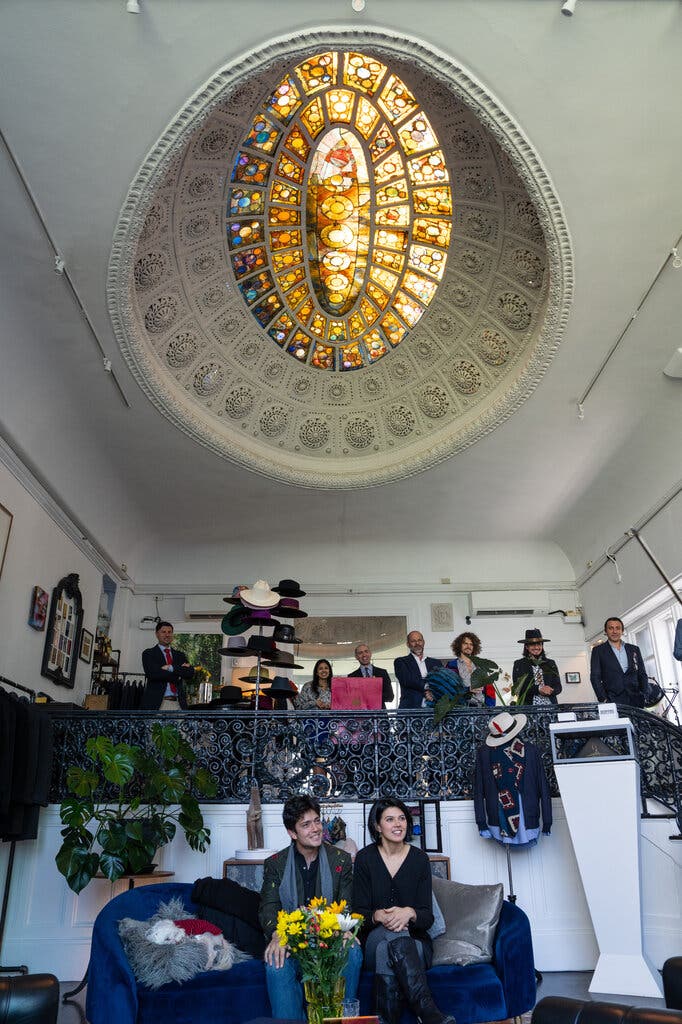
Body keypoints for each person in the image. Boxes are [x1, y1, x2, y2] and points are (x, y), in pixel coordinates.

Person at [352, 797, 456, 1024]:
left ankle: (385, 1020)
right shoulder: (365, 859)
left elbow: (427, 918)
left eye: (402, 818)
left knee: (387, 949)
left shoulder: (419, 859)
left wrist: (410, 912)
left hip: (416, 943)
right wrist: (377, 915)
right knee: (389, 937)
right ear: (377, 826)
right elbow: (357, 915)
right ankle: (428, 1013)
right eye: (390, 819)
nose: (398, 824)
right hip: (373, 940)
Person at [259, 795, 362, 1021]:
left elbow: (345, 906)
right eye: (306, 824)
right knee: (276, 961)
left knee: (352, 950)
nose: (316, 829)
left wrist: (344, 929)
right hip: (293, 939)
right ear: (292, 833)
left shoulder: (340, 859)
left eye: (317, 821)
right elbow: (269, 907)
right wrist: (277, 935)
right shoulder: (276, 863)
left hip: (329, 938)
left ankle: (340, 1020)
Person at [590, 616, 648, 707]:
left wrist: (644, 694)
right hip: (612, 700)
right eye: (611, 628)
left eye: (618, 628)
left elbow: (642, 674)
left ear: (622, 631)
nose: (614, 631)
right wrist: (603, 699)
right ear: (606, 631)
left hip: (636, 699)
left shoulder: (634, 649)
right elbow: (595, 677)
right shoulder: (598, 651)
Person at [141, 621, 193, 710]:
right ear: (157, 634)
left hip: (178, 704)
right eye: (163, 632)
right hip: (157, 704)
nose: (167, 635)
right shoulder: (149, 653)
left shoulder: (180, 655)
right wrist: (178, 674)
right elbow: (152, 674)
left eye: (169, 632)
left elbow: (190, 673)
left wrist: (171, 668)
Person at [512, 628, 562, 706]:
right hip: (529, 707)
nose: (536, 647)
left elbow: (558, 686)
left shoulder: (550, 663)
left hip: (551, 706)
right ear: (526, 647)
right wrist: (539, 689)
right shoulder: (519, 664)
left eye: (539, 644)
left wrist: (551, 690)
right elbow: (518, 688)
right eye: (532, 644)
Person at [394, 632, 442, 709]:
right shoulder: (401, 662)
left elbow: (441, 682)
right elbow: (407, 680)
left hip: (434, 709)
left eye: (419, 640)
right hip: (410, 709)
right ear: (408, 644)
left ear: (423, 642)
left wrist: (433, 691)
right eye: (413, 641)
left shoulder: (436, 663)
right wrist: (428, 687)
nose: (417, 643)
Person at [349, 643, 394, 707]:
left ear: (370, 654)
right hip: (361, 712)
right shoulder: (351, 677)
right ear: (356, 657)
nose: (364, 655)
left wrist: (371, 695)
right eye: (360, 653)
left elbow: (390, 697)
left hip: (379, 712)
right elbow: (353, 701)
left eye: (366, 651)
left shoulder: (382, 673)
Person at [447, 632, 484, 706]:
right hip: (461, 708)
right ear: (459, 645)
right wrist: (468, 689)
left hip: (481, 708)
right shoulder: (451, 665)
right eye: (465, 643)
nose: (468, 646)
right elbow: (448, 688)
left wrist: (489, 708)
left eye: (471, 644)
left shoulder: (480, 665)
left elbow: (489, 690)